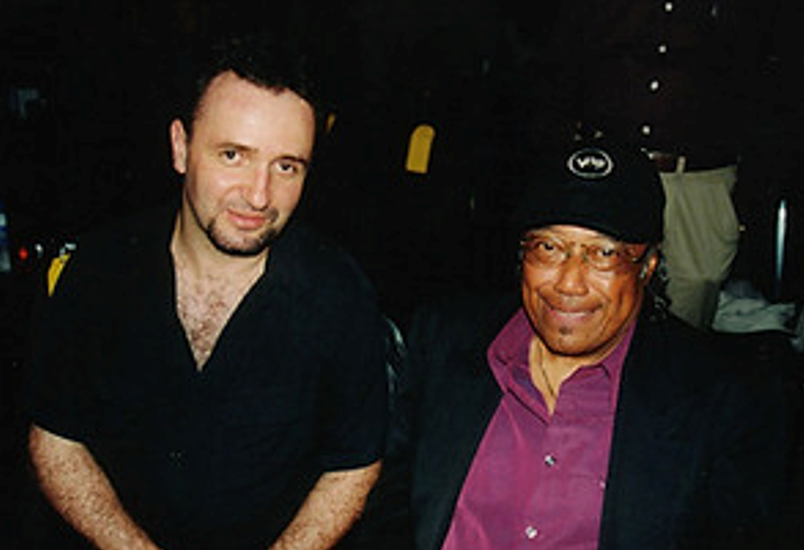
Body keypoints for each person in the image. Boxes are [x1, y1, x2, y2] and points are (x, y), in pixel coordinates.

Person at [24, 34, 388, 550]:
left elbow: (354, 466)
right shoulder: (102, 269)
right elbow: (56, 438)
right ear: (180, 147)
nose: (259, 196)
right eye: (233, 155)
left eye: (286, 166)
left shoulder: (340, 295)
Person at [378, 138, 798, 549]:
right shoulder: (442, 342)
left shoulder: (724, 402)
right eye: (549, 247)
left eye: (603, 254)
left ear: (647, 266)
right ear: (521, 256)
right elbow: (382, 508)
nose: (569, 283)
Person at [510, 0, 782, 329]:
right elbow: (556, 62)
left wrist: (755, 183)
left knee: (696, 285)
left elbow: (766, 78)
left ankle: (676, 361)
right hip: (606, 167)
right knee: (590, 280)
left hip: (699, 173)